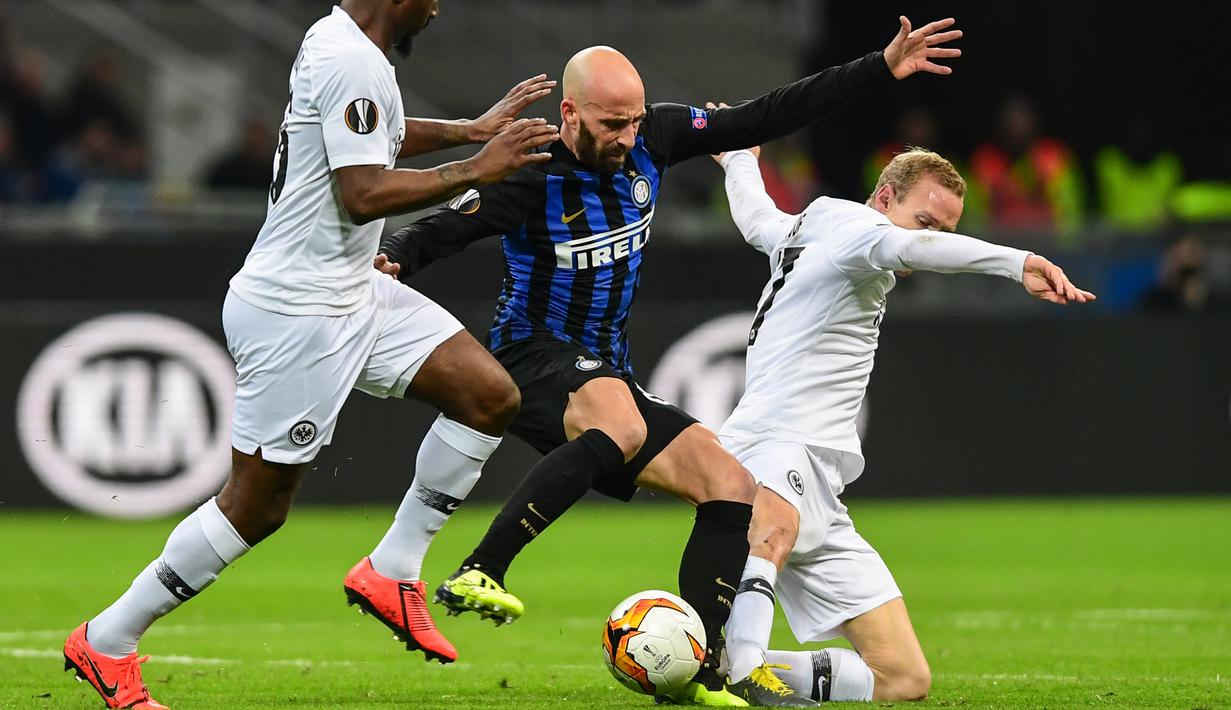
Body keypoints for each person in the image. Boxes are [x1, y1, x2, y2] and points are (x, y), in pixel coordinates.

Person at [377, 16, 963, 707]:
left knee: (728, 482)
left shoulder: (655, 136)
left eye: (631, 121)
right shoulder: (532, 168)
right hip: (534, 355)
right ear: (569, 113)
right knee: (621, 425)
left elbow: (766, 113)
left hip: (605, 368)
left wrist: (877, 67)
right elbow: (454, 223)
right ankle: (482, 568)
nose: (626, 137)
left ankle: (708, 667)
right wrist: (395, 259)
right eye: (610, 123)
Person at [62, 1, 559, 707]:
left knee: (487, 396)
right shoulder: (352, 57)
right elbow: (362, 195)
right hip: (296, 313)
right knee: (255, 509)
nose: (439, 6)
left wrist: (464, 131)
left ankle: (393, 568)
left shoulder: (339, 37)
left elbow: (366, 135)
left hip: (351, 290)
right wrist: (475, 167)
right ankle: (108, 640)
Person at [710, 144, 1095, 705]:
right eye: (926, 221)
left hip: (819, 476)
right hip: (776, 442)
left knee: (904, 679)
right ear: (885, 197)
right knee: (774, 534)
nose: (931, 238)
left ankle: (718, 667)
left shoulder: (811, 227)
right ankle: (738, 669)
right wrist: (1017, 264)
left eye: (945, 228)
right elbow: (908, 245)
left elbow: (756, 218)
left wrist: (739, 161)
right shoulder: (863, 231)